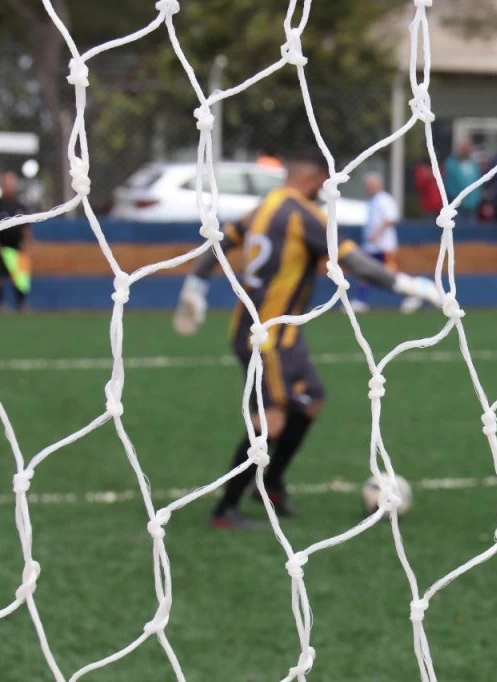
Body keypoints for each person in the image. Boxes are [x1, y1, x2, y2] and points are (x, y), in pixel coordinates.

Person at [173, 150, 440, 527]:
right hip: (266, 338)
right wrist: (409, 285)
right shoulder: (302, 214)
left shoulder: (263, 208)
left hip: (280, 335)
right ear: (314, 179)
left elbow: (220, 241)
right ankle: (225, 509)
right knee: (271, 423)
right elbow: (357, 262)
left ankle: (271, 483)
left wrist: (196, 285)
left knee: (311, 400)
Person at [352, 172, 421, 313]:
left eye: (370, 185)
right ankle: (360, 301)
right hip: (371, 247)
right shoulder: (371, 201)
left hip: (384, 247)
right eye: (367, 186)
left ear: (378, 185)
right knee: (364, 272)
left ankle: (413, 295)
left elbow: (390, 220)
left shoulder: (385, 200)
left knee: (391, 273)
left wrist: (376, 235)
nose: (368, 188)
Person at [0, 171, 32, 311]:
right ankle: (0, 304)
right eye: (6, 183)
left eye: (12, 183)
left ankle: (21, 304)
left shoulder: (21, 205)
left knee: (20, 277)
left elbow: (26, 227)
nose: (9, 186)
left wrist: (27, 243)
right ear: (2, 185)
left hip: (17, 246)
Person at [443, 139, 481, 219]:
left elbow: (479, 184)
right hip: (456, 207)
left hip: (472, 207)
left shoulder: (474, 165)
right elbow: (449, 185)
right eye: (463, 148)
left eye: (468, 148)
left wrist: (476, 200)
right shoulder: (451, 164)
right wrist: (458, 200)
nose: (466, 150)